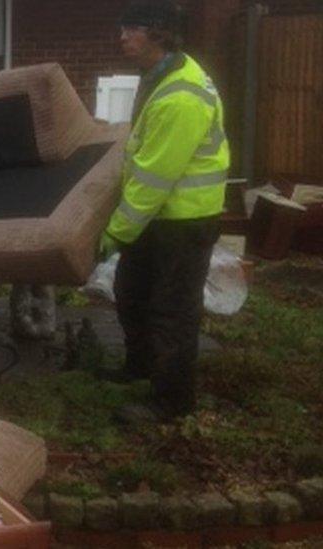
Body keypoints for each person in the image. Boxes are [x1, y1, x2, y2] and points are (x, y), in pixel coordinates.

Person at [100, 0, 230, 421]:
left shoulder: (181, 96)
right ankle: (140, 366)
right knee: (130, 292)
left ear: (158, 33)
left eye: (131, 28)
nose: (122, 36)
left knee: (172, 309)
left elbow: (155, 179)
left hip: (184, 220)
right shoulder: (159, 77)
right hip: (158, 217)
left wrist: (114, 233)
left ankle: (172, 401)